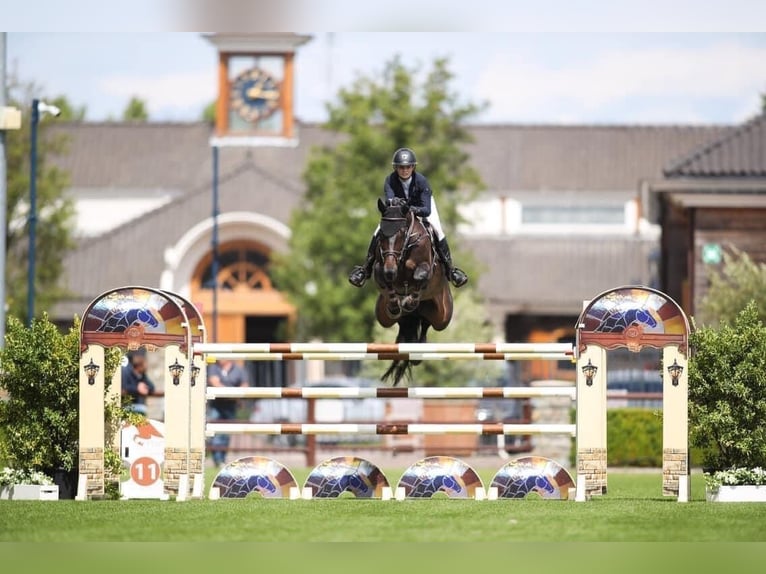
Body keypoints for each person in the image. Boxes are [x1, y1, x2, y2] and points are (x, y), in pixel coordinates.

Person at [348, 147, 468, 288]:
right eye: (401, 167)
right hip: (399, 210)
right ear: (396, 168)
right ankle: (365, 269)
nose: (405, 170)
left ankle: (450, 270)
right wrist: (396, 204)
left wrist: (411, 209)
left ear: (413, 167)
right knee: (378, 230)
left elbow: (426, 210)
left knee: (437, 230)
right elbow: (390, 201)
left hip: (421, 207)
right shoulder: (390, 180)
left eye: (408, 167)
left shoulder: (422, 181)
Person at [207, 359, 249, 467]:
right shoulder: (214, 368)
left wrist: (232, 394)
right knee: (215, 432)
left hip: (231, 405)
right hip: (217, 404)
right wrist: (233, 393)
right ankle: (217, 459)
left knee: (226, 433)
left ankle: (222, 458)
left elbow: (245, 385)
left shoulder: (239, 369)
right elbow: (214, 382)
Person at [121, 350, 156, 416]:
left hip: (140, 407)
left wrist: (144, 388)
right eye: (145, 364)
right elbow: (123, 387)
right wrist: (137, 388)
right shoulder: (126, 371)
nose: (147, 366)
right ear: (139, 365)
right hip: (127, 406)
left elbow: (152, 387)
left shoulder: (142, 375)